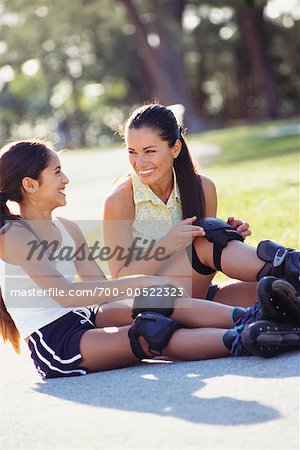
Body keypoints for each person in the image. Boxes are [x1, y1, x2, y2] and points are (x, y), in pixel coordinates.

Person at [0, 140, 299, 380]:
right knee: (150, 332)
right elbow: (64, 296)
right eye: (56, 172)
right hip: (56, 340)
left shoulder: (68, 228)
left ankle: (254, 317)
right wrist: (143, 280)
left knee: (155, 303)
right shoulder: (13, 235)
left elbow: (98, 289)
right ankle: (243, 338)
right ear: (30, 185)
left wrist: (148, 291)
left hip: (87, 316)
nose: (65, 179)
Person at [104, 102, 300, 307]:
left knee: (277, 292)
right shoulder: (119, 199)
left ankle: (290, 269)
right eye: (132, 152)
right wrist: (166, 245)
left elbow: (204, 270)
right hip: (147, 305)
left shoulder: (202, 188)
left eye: (149, 151)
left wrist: (229, 240)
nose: (139, 162)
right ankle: (289, 264)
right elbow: (119, 279)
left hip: (195, 295)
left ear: (175, 148)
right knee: (211, 235)